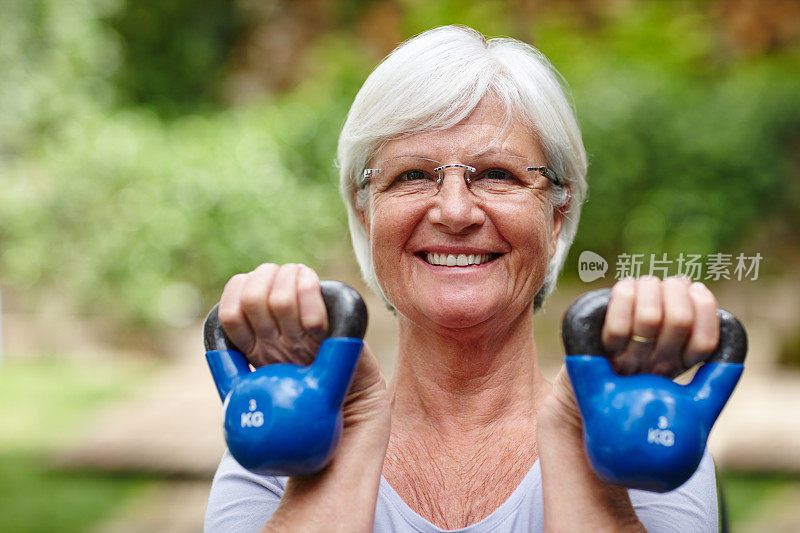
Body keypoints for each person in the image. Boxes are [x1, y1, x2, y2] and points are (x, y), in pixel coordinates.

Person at [205, 25, 721, 532]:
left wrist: (572, 435)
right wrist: (355, 423)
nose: (454, 212)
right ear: (366, 215)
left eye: (499, 174)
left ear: (556, 215)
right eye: (412, 175)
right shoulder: (275, 440)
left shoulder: (652, 432)